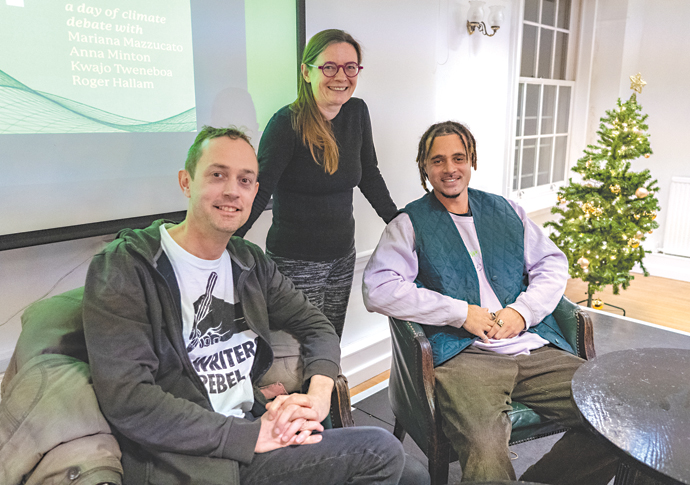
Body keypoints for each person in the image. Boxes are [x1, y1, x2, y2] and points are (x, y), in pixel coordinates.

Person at [82, 126, 427, 485]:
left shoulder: (248, 262)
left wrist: (317, 397)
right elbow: (128, 397)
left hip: (253, 429)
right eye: (218, 175)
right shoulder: (126, 266)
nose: (233, 190)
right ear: (186, 182)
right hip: (190, 457)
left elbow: (316, 324)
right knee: (380, 450)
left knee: (412, 473)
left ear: (256, 192)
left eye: (245, 180)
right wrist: (247, 437)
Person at [362, 121, 618, 483]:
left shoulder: (507, 210)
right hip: (464, 357)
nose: (449, 169)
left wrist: (522, 311)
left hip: (534, 349)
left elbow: (552, 262)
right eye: (438, 160)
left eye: (458, 158)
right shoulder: (408, 223)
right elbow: (377, 287)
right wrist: (458, 312)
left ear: (472, 161)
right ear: (424, 167)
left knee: (617, 413)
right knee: (484, 448)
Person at [235, 29, 397, 341]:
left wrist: (399, 221)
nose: (342, 76)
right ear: (306, 72)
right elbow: (259, 190)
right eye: (329, 67)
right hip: (295, 263)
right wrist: (219, 245)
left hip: (342, 256)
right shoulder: (286, 124)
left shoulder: (357, 113)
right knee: (302, 350)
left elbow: (369, 174)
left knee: (330, 342)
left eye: (351, 67)